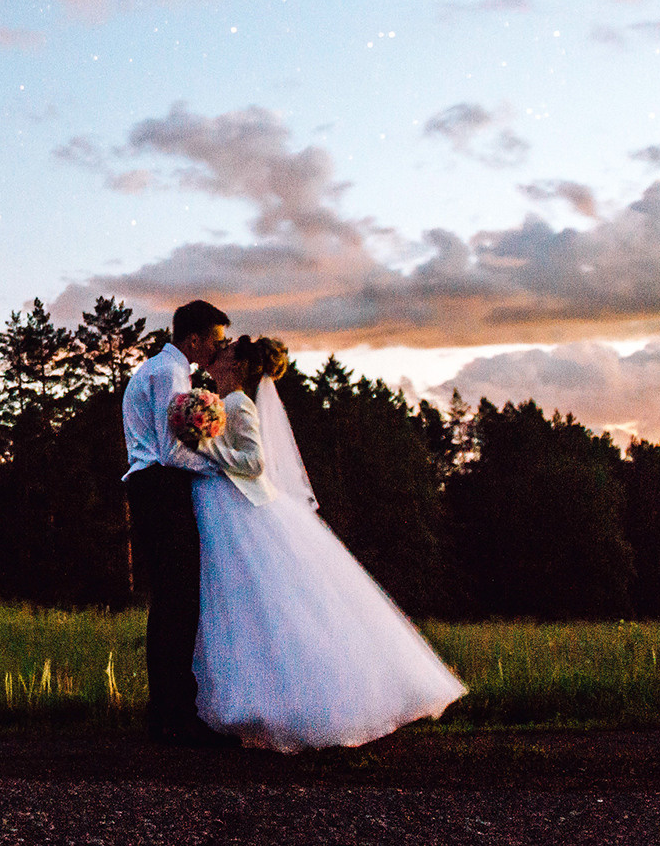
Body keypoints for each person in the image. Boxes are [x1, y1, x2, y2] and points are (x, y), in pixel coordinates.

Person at [190, 335, 467, 751]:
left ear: (238, 367)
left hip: (239, 506)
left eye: (225, 352)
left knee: (250, 605)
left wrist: (207, 446)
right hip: (229, 506)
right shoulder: (224, 402)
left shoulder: (237, 404)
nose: (217, 356)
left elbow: (254, 462)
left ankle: (272, 709)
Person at [121, 298, 232, 745]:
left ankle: (164, 712)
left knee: (169, 602)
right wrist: (220, 467)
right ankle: (177, 716)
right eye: (215, 341)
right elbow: (171, 452)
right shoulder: (169, 374)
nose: (217, 350)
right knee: (179, 603)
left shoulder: (153, 370)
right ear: (193, 338)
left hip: (151, 489)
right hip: (161, 488)